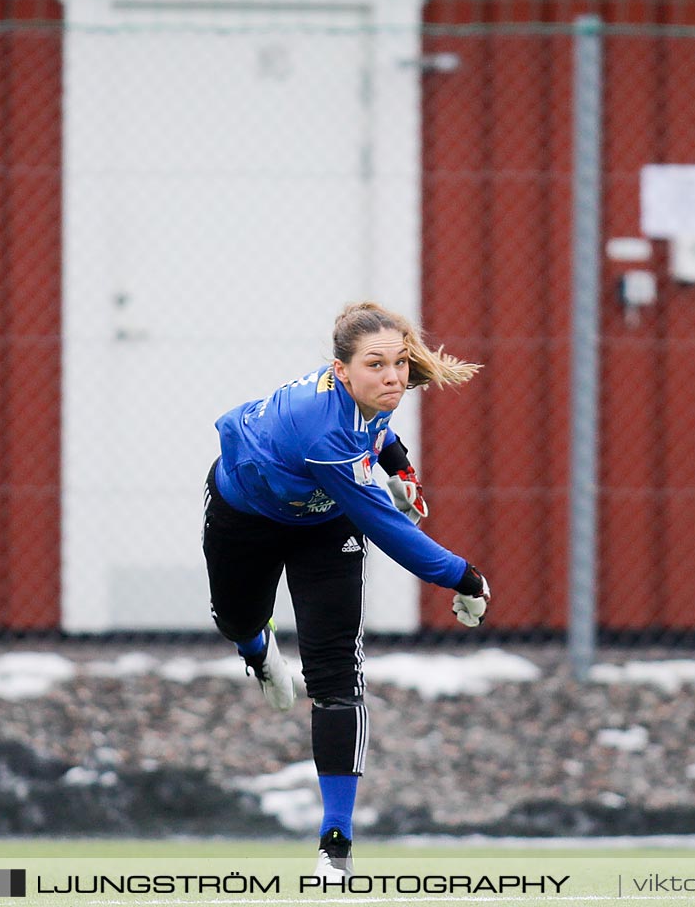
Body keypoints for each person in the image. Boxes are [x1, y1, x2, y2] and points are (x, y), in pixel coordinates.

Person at [204, 301, 492, 882]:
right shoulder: (323, 429)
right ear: (341, 371)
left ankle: (335, 844)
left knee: (337, 679)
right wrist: (466, 577)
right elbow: (389, 529)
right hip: (245, 517)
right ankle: (258, 650)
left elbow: (380, 435)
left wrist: (402, 469)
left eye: (399, 364)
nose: (392, 379)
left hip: (324, 526)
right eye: (375, 366)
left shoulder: (367, 401)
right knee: (236, 619)